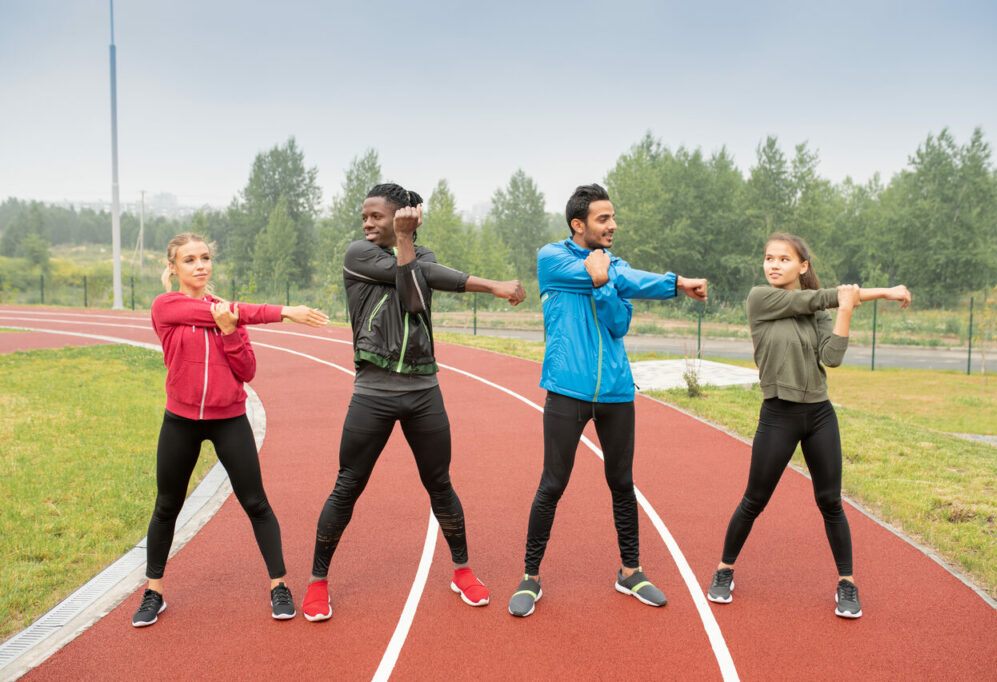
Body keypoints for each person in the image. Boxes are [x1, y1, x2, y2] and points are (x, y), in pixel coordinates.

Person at [302, 183, 526, 621]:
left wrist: (496, 286)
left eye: (377, 217)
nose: (367, 223)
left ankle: (462, 571)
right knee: (348, 485)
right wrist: (404, 240)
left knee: (440, 483)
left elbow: (429, 275)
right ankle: (317, 582)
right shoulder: (357, 255)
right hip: (374, 393)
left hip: (424, 391)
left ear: (403, 216)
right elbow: (411, 294)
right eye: (364, 216)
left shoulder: (420, 257)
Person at [507, 183, 708, 618]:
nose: (613, 225)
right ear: (578, 225)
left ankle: (630, 571)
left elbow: (618, 323)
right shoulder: (551, 258)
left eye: (613, 217)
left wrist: (602, 286)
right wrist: (670, 284)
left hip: (617, 392)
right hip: (567, 390)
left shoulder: (615, 266)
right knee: (552, 485)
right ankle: (530, 575)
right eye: (603, 218)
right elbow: (622, 280)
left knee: (622, 483)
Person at [705, 232, 911, 619]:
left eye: (784, 259)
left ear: (803, 267)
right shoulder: (760, 299)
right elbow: (813, 297)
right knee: (755, 500)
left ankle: (847, 582)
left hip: (818, 416)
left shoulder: (818, 313)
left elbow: (831, 357)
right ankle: (724, 570)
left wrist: (847, 310)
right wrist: (883, 292)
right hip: (778, 415)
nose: (774, 265)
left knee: (831, 501)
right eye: (769, 258)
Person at [133, 232, 329, 627]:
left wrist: (229, 332)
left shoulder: (228, 314)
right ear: (173, 268)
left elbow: (247, 370)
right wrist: (285, 311)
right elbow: (224, 312)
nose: (200, 265)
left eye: (204, 257)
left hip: (229, 420)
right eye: (189, 260)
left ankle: (279, 586)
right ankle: (153, 591)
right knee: (167, 506)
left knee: (256, 503)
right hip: (181, 422)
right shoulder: (167, 306)